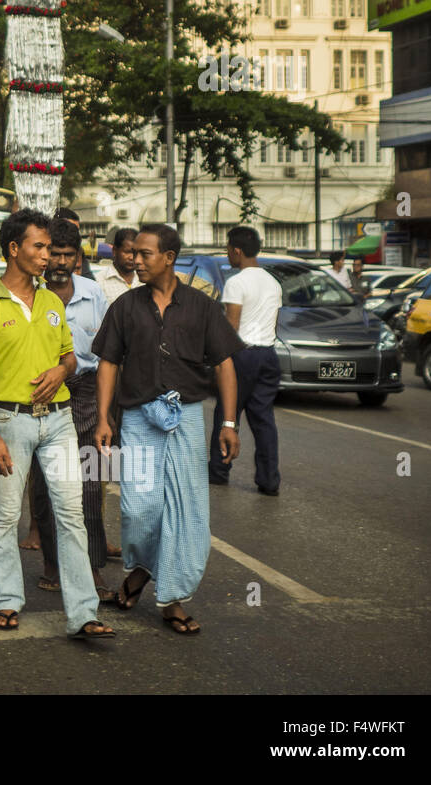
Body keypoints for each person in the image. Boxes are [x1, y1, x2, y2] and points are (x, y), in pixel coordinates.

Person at [0, 210, 113, 639]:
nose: (48, 256)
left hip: (60, 421)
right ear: (14, 249)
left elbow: (69, 357)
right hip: (10, 422)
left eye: (49, 248)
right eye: (40, 247)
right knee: (7, 516)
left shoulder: (51, 301)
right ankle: (7, 600)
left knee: (72, 515)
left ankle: (83, 612)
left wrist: (61, 372)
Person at [91, 224, 242, 636]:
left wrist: (228, 423)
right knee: (139, 508)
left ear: (169, 258)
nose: (134, 260)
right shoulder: (125, 307)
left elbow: (225, 362)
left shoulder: (202, 307)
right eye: (133, 254)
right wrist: (104, 418)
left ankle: (172, 599)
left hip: (188, 416)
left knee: (185, 510)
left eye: (144, 254)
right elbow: (108, 361)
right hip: (138, 416)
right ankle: (140, 570)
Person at [31, 219, 113, 600]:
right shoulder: (31, 292)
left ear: (78, 258)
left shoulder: (94, 293)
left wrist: (107, 411)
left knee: (91, 485)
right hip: (41, 391)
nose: (60, 262)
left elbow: (109, 353)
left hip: (86, 391)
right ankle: (52, 564)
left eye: (67, 255)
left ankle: (93, 568)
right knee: (47, 485)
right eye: (54, 254)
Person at [210, 226, 282, 495]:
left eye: (229, 250)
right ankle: (269, 481)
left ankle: (218, 470)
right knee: (263, 420)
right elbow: (273, 323)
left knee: (227, 413)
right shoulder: (273, 282)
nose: (228, 254)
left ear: (237, 251)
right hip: (268, 355)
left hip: (242, 356)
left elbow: (232, 326)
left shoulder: (236, 282)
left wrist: (218, 358)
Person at [99, 227, 141, 305]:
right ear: (114, 251)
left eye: (135, 253)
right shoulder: (100, 282)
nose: (131, 257)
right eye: (127, 252)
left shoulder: (144, 280)